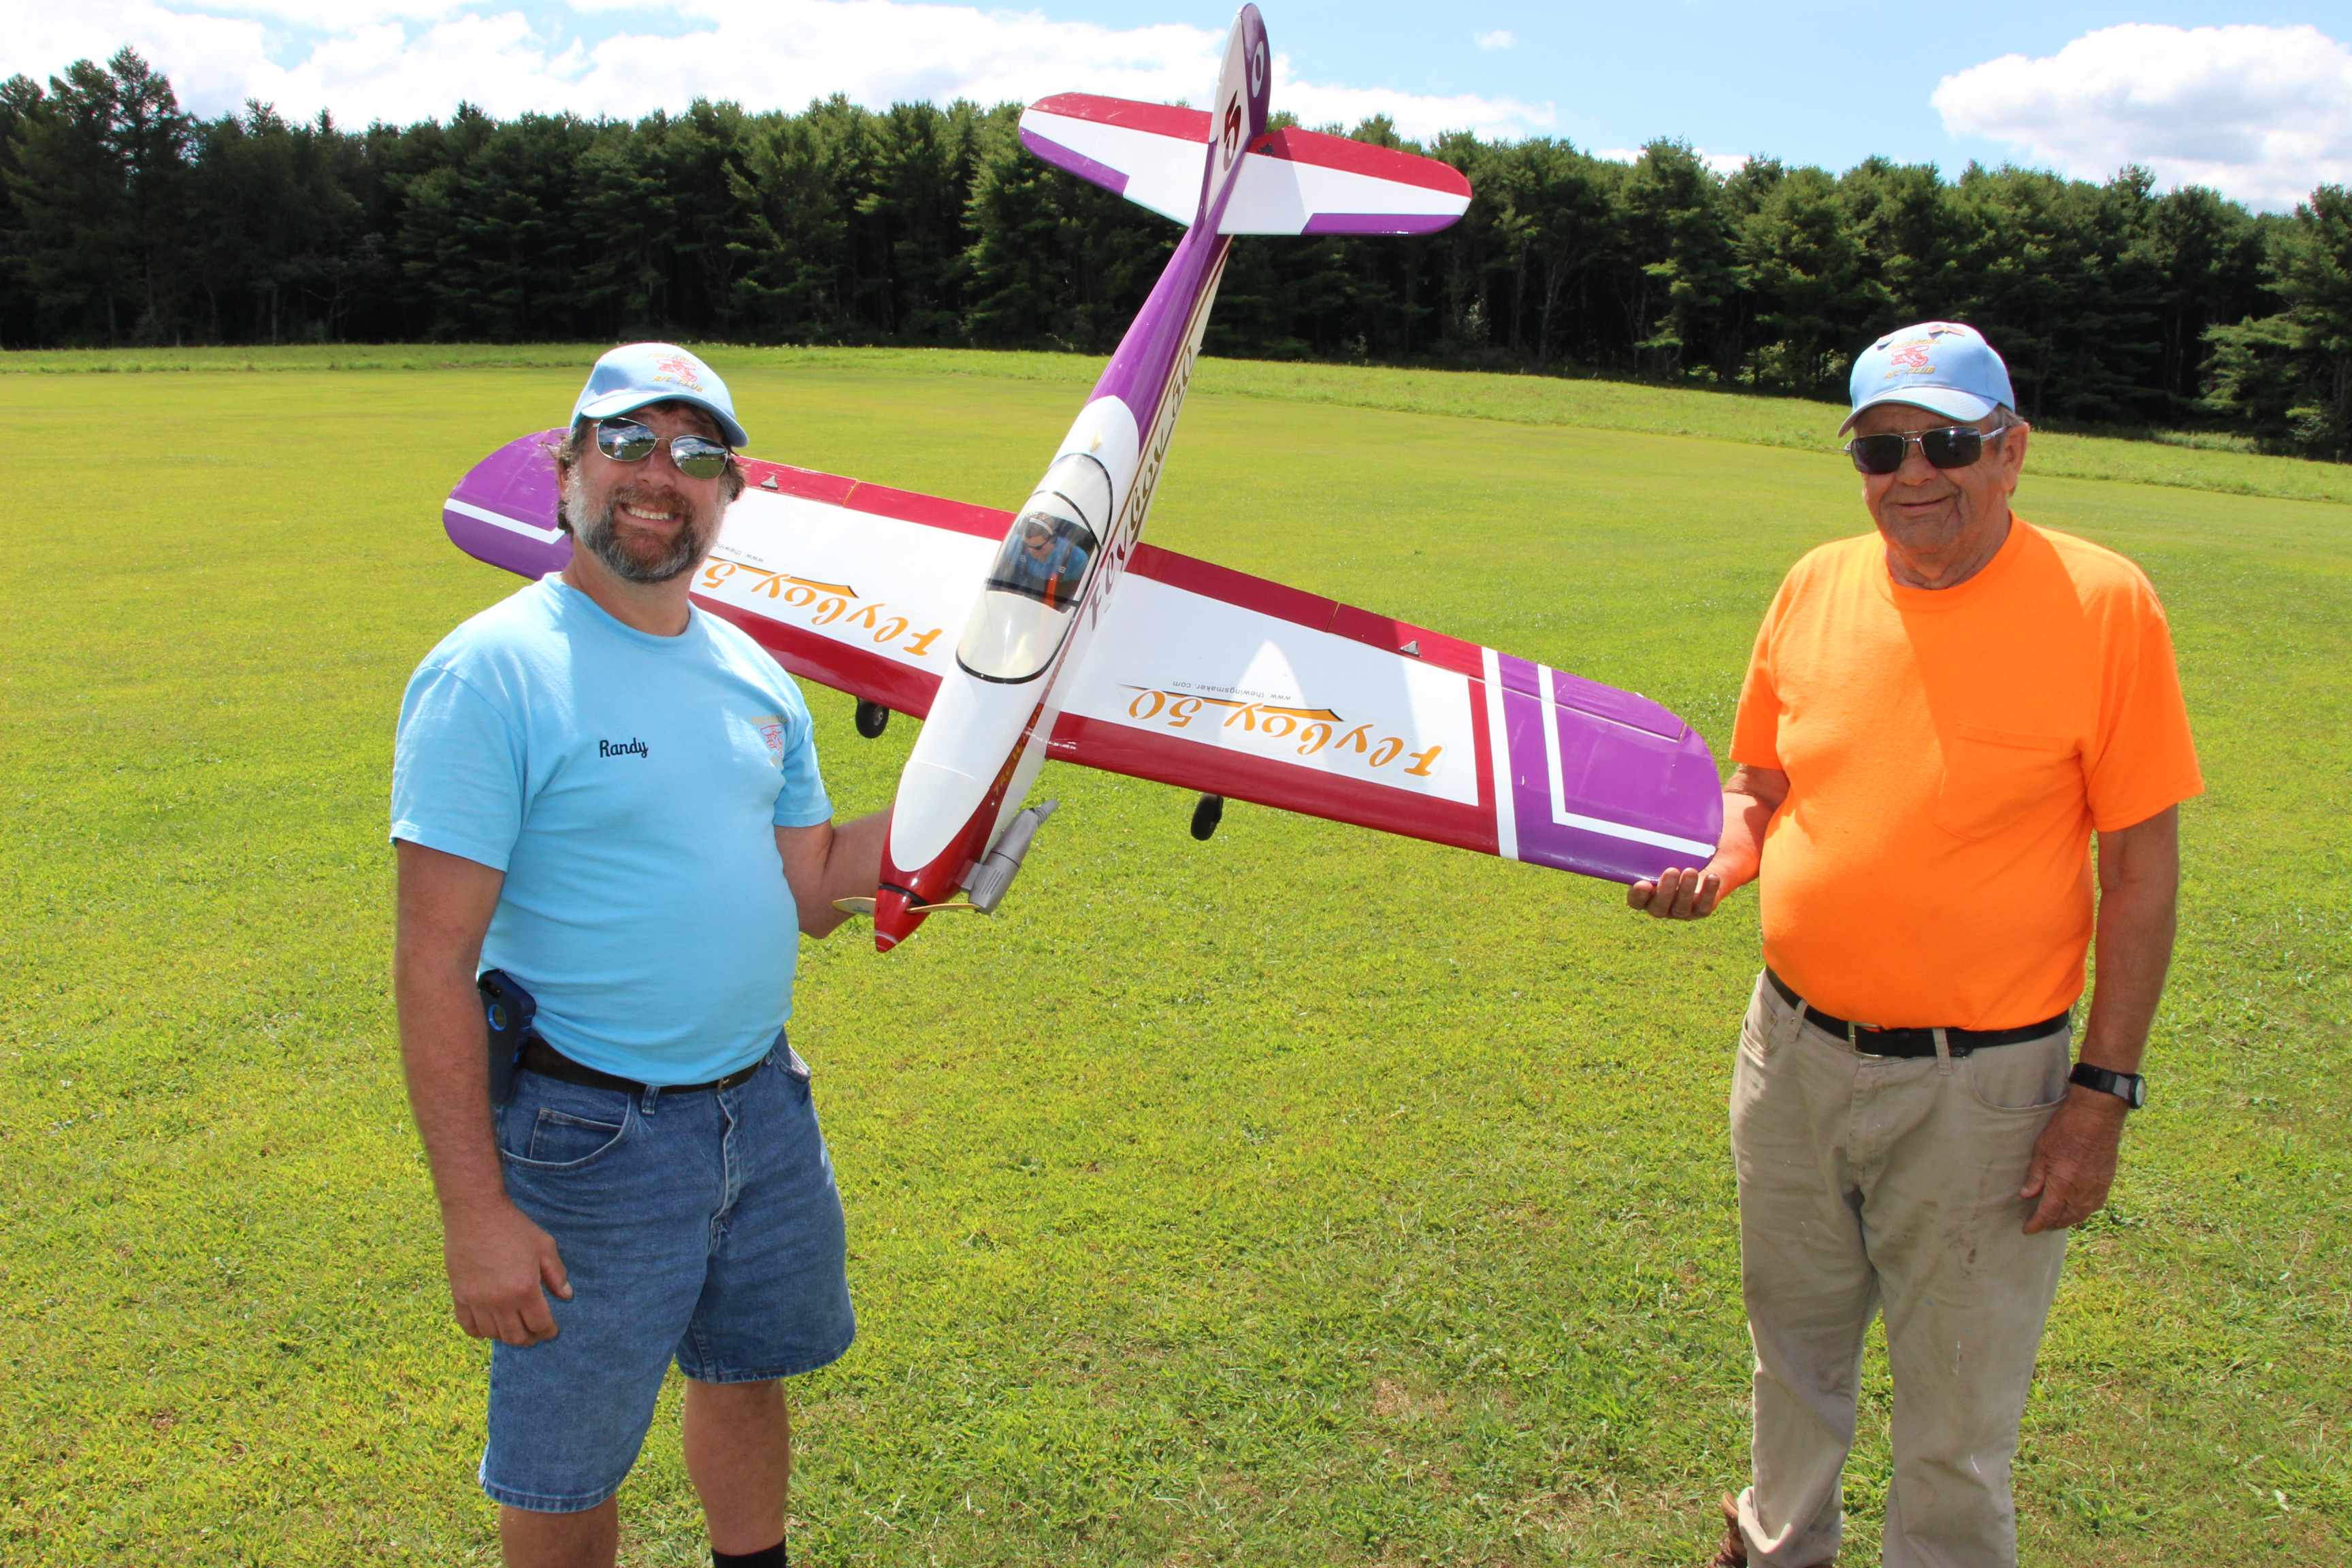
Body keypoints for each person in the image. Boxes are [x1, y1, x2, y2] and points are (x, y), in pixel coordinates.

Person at [1627, 322, 2202, 1568]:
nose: (1914, 475)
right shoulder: (1815, 582)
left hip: (1982, 1088)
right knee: (1792, 1349)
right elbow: (1759, 783)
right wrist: (1718, 862)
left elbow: (2141, 871)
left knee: (1957, 1411)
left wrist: (2101, 1091)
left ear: (2012, 451)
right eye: (1882, 450)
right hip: (1791, 1052)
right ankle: (1780, 1543)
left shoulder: (2105, 603)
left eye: (1947, 442)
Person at [391, 343, 887, 1568]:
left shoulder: (756, 675)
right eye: (628, 442)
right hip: (586, 1134)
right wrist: (474, 1213)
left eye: (698, 452)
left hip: (760, 1107)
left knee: (748, 1373)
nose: (661, 474)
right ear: (568, 467)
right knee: (565, 1466)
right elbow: (433, 963)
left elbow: (815, 885)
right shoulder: (492, 671)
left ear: (730, 491)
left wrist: (963, 809)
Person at [996, 515, 1090, 607]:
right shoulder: (1015, 546)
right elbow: (1001, 581)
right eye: (1026, 545)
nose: (1031, 551)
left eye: (1038, 547)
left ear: (1053, 539)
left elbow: (1079, 595)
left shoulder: (1076, 560)